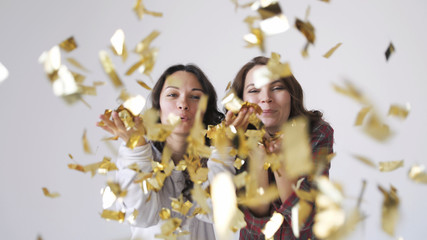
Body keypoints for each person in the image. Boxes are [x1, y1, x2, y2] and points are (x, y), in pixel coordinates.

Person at [97, 64, 226, 240]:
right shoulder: (138, 152)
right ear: (158, 106)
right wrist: (138, 150)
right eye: (173, 95)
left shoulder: (216, 158)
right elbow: (140, 217)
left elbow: (218, 212)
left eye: (195, 97)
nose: (183, 104)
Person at [225, 56, 334, 240]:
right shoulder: (232, 139)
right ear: (241, 101)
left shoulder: (317, 132)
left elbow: (304, 224)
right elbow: (254, 227)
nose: (266, 99)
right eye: (254, 90)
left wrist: (279, 162)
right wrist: (257, 157)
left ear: (292, 94)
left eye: (276, 88)